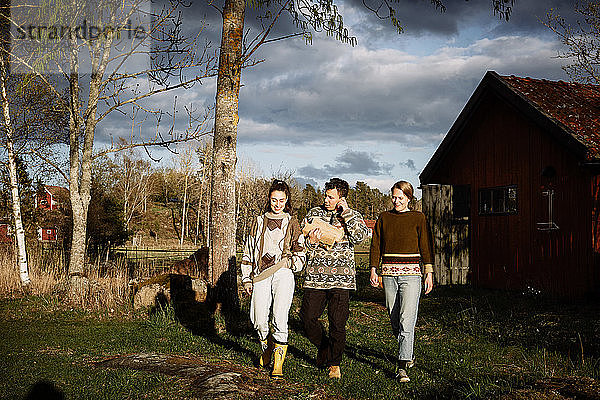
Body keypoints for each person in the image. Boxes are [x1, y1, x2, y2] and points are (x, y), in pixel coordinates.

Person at [300, 177, 369, 379]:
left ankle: (334, 364)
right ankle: (325, 348)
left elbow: (360, 237)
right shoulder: (314, 213)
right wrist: (311, 241)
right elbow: (304, 243)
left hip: (342, 279)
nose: (326, 199)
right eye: (325, 195)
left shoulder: (352, 215)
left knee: (337, 324)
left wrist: (346, 213)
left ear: (341, 198)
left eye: (331, 197)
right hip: (315, 277)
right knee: (307, 318)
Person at [369, 180, 434, 383]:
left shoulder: (418, 218)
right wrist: (374, 269)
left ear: (408, 198)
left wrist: (429, 272)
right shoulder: (384, 218)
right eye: (394, 197)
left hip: (412, 275)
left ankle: (402, 365)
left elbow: (425, 245)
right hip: (388, 274)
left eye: (400, 197)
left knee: (407, 319)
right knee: (394, 317)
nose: (396, 201)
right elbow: (376, 244)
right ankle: (409, 351)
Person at [241, 179, 306, 377]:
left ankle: (278, 364)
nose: (277, 204)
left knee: (280, 316)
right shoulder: (259, 221)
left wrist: (292, 264)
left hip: (283, 273)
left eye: (281, 200)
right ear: (268, 199)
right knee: (258, 319)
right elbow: (249, 249)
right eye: (273, 200)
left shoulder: (292, 222)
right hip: (260, 274)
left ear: (287, 201)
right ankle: (267, 346)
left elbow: (300, 250)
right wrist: (246, 278)